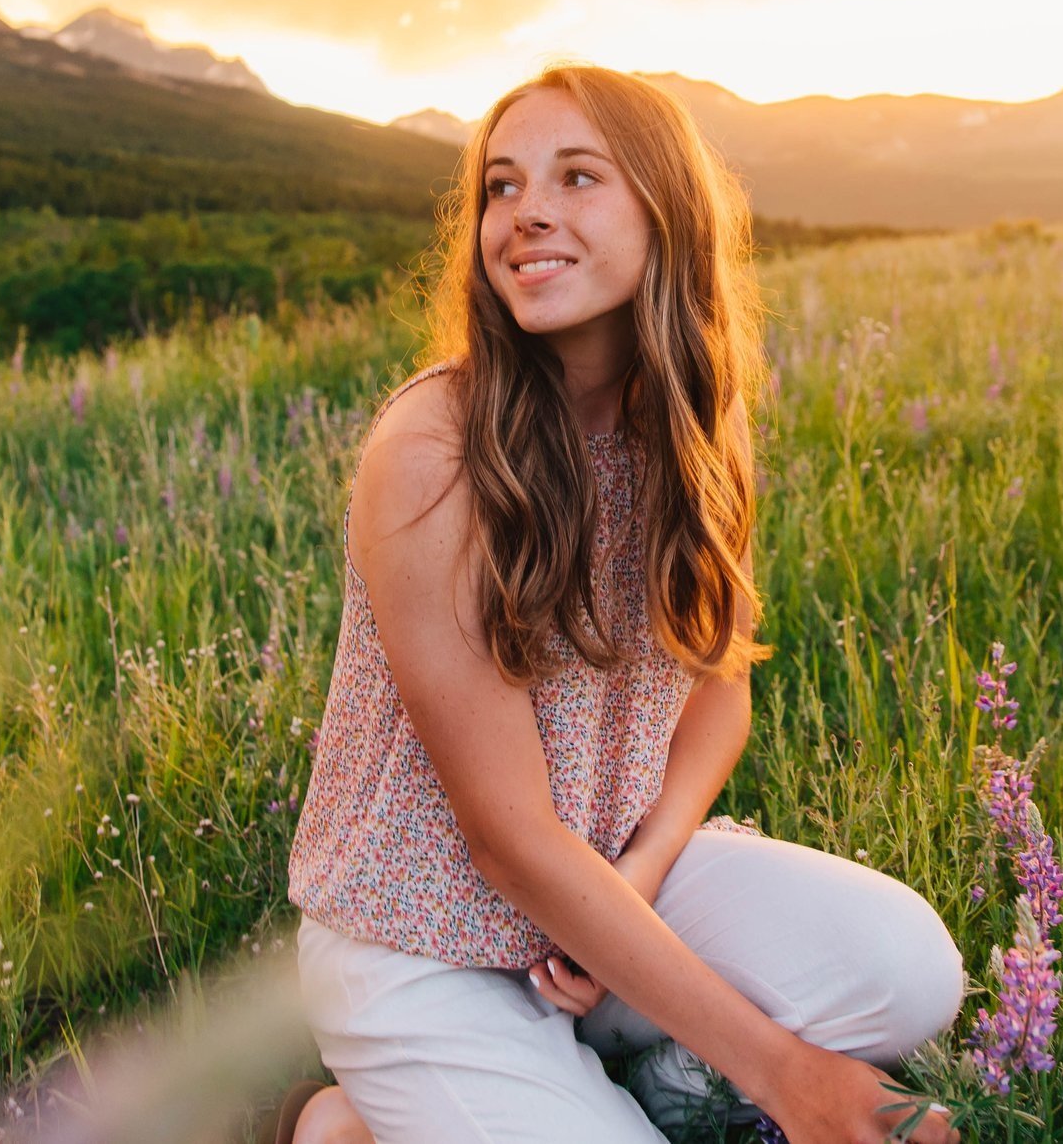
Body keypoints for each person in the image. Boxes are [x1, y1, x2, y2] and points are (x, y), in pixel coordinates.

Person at [277, 65, 964, 1144]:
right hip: (420, 938)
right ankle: (353, 1121)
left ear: (665, 212)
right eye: (502, 186)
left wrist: (638, 875)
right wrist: (789, 1077)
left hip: (606, 885)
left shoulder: (697, 428)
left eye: (577, 175)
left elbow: (717, 695)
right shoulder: (431, 450)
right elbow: (506, 845)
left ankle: (536, 1095)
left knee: (909, 971)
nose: (526, 211)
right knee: (773, 1079)